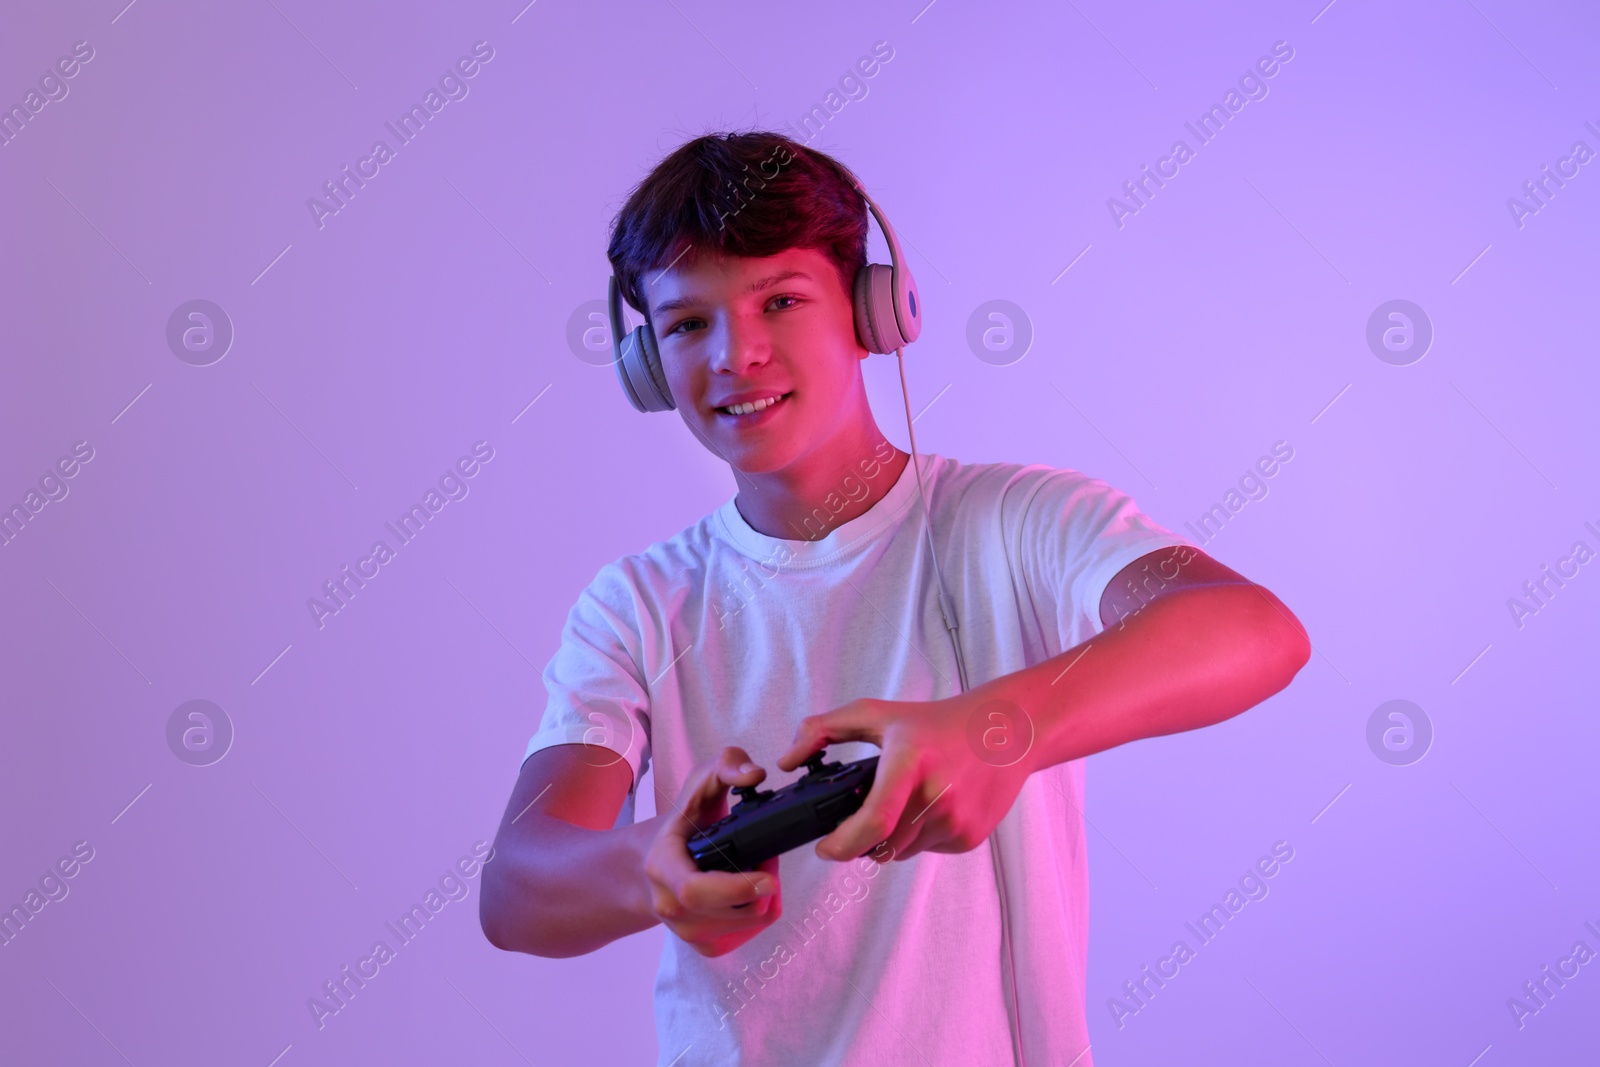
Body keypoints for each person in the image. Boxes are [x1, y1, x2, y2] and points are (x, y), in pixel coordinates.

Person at [479, 130, 1310, 1066]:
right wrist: (649, 867)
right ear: (648, 367)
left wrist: (993, 728)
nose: (736, 354)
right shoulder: (636, 604)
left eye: (781, 301)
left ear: (872, 314)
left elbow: (1252, 629)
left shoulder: (1014, 520)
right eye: (686, 325)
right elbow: (515, 888)